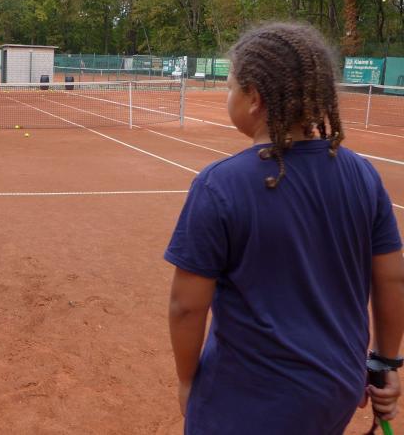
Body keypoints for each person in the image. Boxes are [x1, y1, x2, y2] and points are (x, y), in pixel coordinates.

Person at [165, 22, 403, 434]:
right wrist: (385, 362)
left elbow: (186, 307)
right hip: (337, 390)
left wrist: (187, 381)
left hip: (249, 402)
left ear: (254, 97)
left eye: (231, 87)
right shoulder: (363, 175)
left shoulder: (219, 185)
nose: (228, 95)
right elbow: (393, 278)